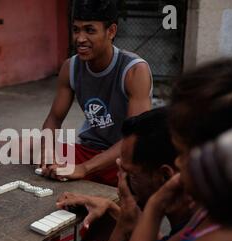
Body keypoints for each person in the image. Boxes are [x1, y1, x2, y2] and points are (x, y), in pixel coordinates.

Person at [118, 58, 232, 241]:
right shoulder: (208, 214)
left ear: (225, 159)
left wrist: (154, 208)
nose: (177, 162)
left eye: (184, 153)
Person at [42, 108, 193, 241]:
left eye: (129, 174)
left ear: (165, 176)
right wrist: (115, 210)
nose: (121, 181)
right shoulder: (194, 223)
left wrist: (132, 220)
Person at [39, 0, 152, 186]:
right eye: (76, 30)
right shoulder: (70, 67)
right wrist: (48, 153)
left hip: (122, 156)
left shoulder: (134, 70)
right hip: (89, 149)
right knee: (26, 147)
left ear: (111, 31)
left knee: (141, 177)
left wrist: (83, 168)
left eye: (90, 30)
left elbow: (134, 138)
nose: (80, 39)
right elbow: (54, 119)